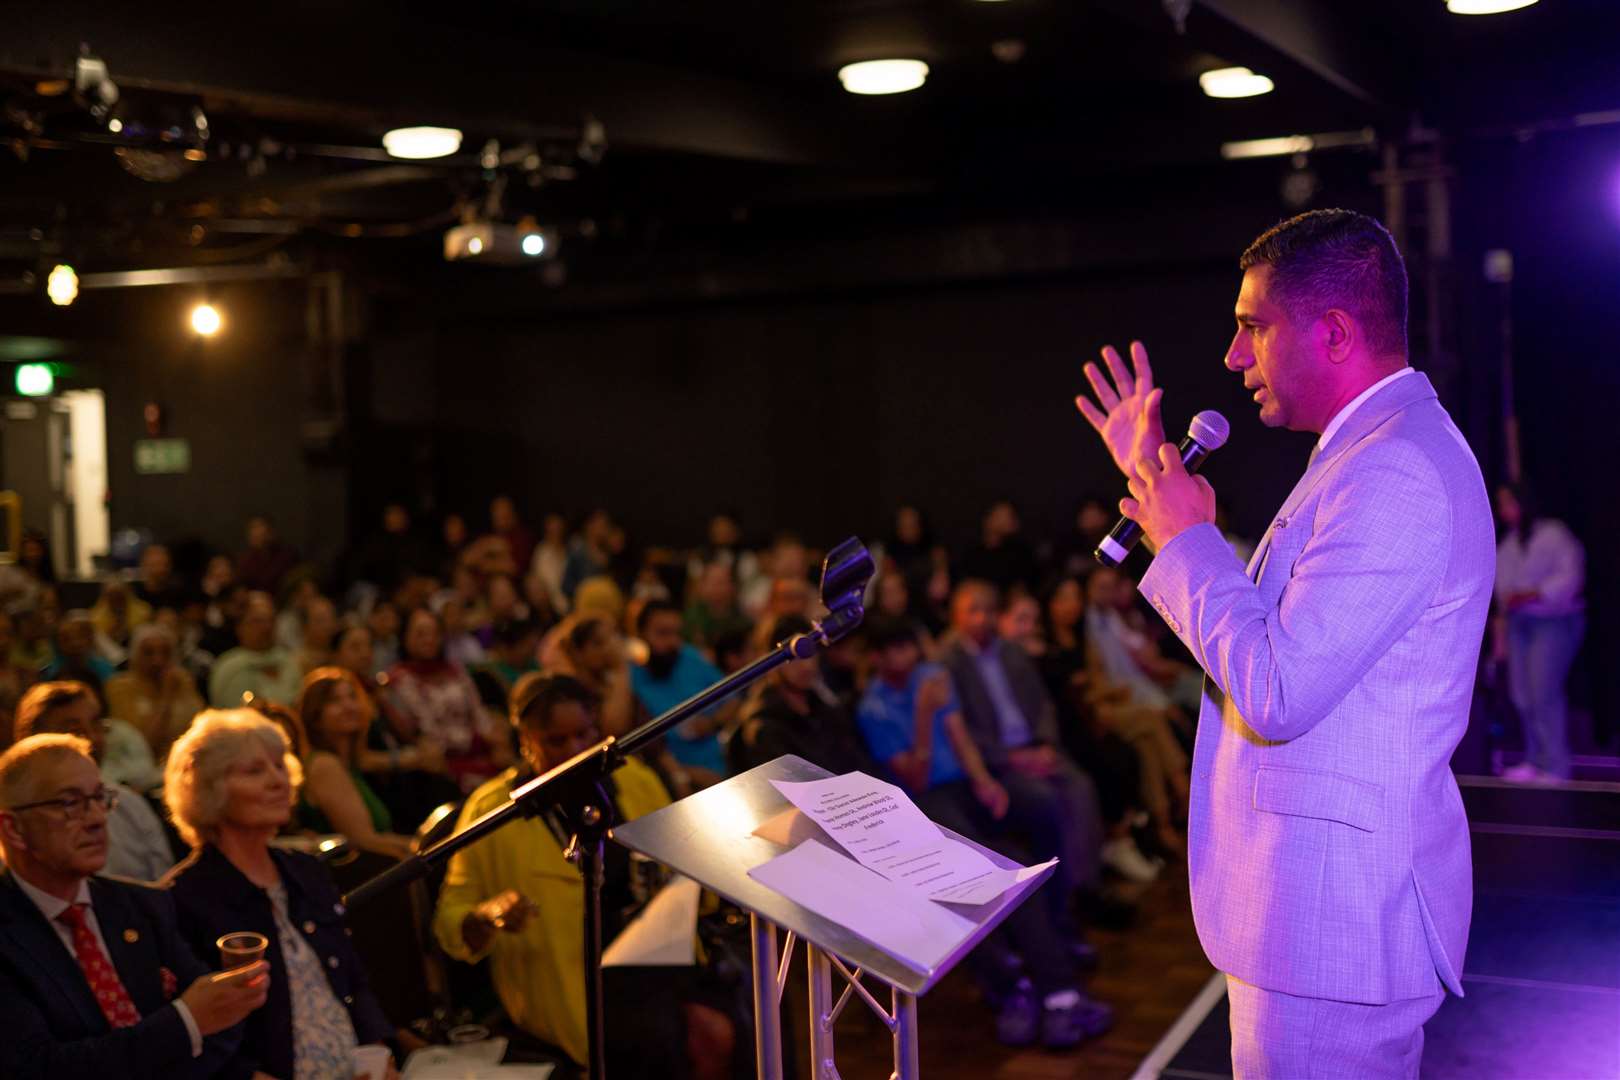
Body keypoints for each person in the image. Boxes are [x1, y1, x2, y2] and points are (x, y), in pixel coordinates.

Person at [1074, 209, 1494, 1076]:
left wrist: (1186, 543)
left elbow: (1279, 686)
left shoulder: (1395, 472)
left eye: (1252, 328)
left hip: (1329, 924)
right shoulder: (1373, 450)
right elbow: (1291, 624)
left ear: (1334, 332)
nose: (1232, 357)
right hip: (1320, 918)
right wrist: (1161, 493)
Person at [433, 673, 737, 1077]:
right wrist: (488, 914)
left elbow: (685, 863)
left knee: (734, 1027)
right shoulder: (492, 810)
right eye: (556, 742)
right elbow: (449, 918)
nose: (575, 750)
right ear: (524, 739)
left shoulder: (632, 780)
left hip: (655, 961)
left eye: (584, 734)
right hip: (569, 986)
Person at [854, 617, 1112, 1047]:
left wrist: (984, 780)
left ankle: (1058, 938)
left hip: (962, 787)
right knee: (991, 874)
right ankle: (1035, 988)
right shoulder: (873, 708)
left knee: (1041, 813)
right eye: (895, 650)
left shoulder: (930, 676)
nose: (907, 658)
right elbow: (915, 776)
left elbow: (959, 737)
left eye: (909, 647)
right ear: (877, 659)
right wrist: (922, 712)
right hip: (923, 805)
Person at [0, 733, 271, 1080]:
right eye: (70, 803)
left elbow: (223, 1024)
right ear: (14, 829)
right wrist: (184, 1020)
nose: (97, 818)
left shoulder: (142, 905)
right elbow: (41, 1068)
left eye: (99, 798)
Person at [163, 709, 402, 1080]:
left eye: (279, 766)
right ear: (207, 788)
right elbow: (195, 1037)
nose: (279, 780)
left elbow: (352, 977)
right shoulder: (183, 897)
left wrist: (379, 1051)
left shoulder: (305, 870)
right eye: (254, 771)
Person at [942, 581, 1105, 902]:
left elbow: (1042, 703)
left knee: (1081, 787)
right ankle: (1063, 894)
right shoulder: (950, 664)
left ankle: (1088, 887)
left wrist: (1044, 744)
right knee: (1046, 800)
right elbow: (964, 729)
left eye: (988, 611)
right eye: (973, 611)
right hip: (999, 762)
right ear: (956, 617)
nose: (981, 619)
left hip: (1036, 747)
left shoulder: (1011, 651)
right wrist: (1011, 758)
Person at [15, 682, 175, 881]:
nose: (91, 739)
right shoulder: (23, 815)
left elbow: (163, 891)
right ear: (33, 742)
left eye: (96, 725)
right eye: (74, 731)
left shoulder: (129, 805)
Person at [1493, 483, 1586, 783]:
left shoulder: (1553, 534)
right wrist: (1512, 599)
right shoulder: (1508, 543)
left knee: (1543, 692)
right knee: (1522, 694)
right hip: (1520, 623)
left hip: (1554, 622)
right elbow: (1503, 588)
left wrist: (1534, 594)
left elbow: (1571, 575)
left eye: (1509, 503)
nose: (1504, 510)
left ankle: (1556, 765)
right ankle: (1535, 759)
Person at [295, 668, 416, 860]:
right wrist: (421, 847)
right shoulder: (324, 765)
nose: (349, 706)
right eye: (335, 701)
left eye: (352, 697)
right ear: (315, 717)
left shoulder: (349, 763)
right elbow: (364, 841)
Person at [385, 608, 510, 793]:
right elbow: (426, 731)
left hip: (481, 751)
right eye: (420, 634)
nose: (429, 640)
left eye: (434, 633)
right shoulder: (399, 680)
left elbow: (478, 712)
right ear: (405, 637)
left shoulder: (455, 669)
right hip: (441, 766)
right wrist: (476, 740)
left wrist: (493, 739)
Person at [732, 615, 872, 777]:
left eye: (809, 653)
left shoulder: (825, 710)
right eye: (794, 658)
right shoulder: (763, 725)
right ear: (772, 662)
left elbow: (860, 765)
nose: (807, 665)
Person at [629, 600, 729, 787]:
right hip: (664, 780)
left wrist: (712, 722)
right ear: (641, 635)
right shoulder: (630, 675)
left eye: (677, 633)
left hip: (718, 770)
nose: (673, 642)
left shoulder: (689, 657)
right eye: (663, 633)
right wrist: (683, 774)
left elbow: (732, 700)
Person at [106, 623, 207, 763]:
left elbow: (203, 729)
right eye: (148, 652)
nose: (158, 661)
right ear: (134, 656)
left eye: (165, 653)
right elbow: (142, 747)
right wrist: (166, 697)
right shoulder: (120, 687)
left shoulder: (183, 681)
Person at [207, 593, 302, 709]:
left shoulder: (289, 661)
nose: (266, 627)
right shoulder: (230, 668)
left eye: (270, 620)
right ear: (240, 627)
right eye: (257, 621)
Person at [960, 501, 1041, 595]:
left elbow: (1024, 585)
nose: (1006, 520)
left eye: (1009, 516)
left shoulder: (1020, 552)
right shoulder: (973, 553)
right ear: (988, 518)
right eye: (1000, 516)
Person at [234, 516, 297, 596]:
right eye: (252, 529)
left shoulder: (287, 556)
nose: (255, 533)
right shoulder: (245, 561)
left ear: (271, 533)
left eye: (259, 529)